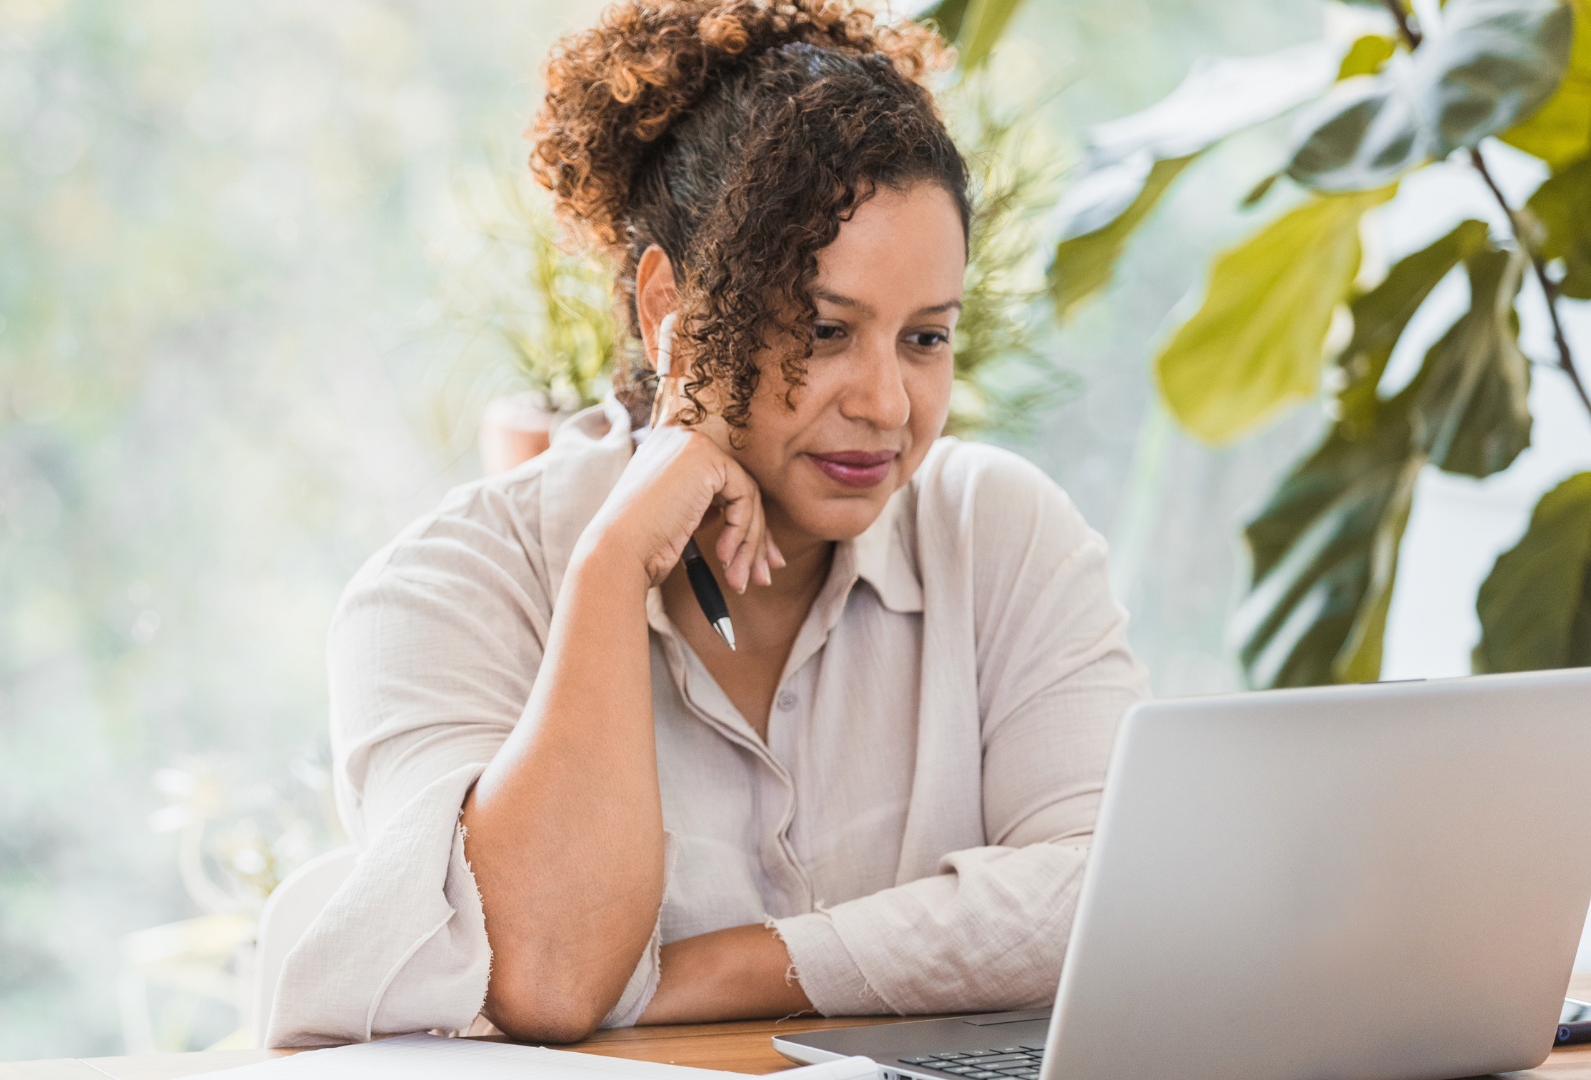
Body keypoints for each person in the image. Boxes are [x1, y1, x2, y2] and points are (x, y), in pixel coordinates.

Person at [266, 0, 1148, 1049]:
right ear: (665, 312)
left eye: (924, 338)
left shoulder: (996, 533)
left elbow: (1114, 891)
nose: (887, 402)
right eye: (826, 330)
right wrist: (608, 571)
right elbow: (547, 973)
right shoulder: (444, 593)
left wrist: (713, 970)